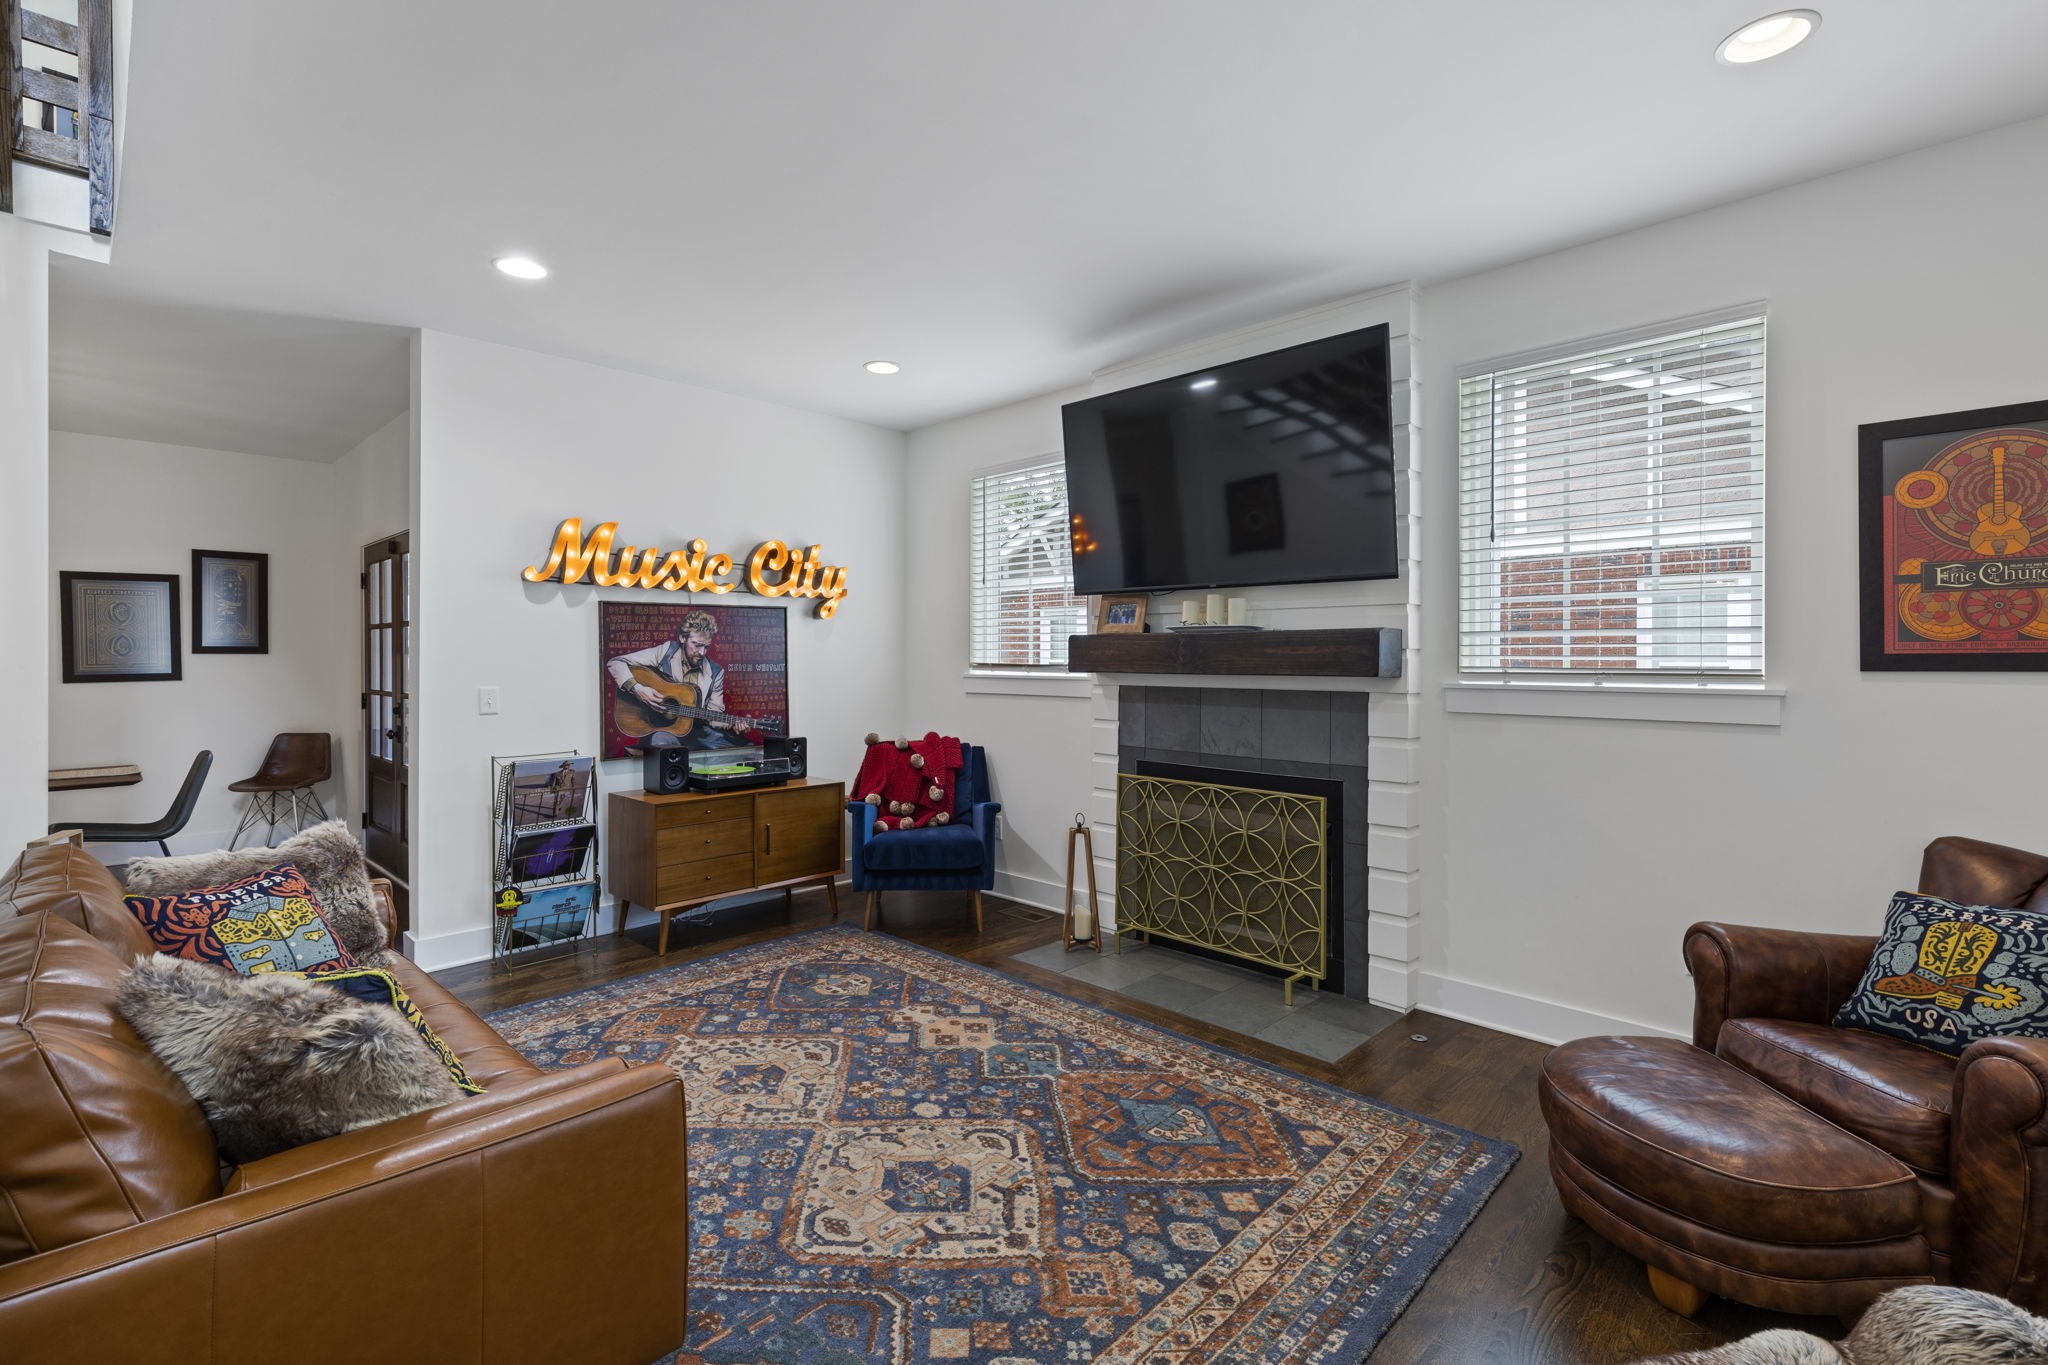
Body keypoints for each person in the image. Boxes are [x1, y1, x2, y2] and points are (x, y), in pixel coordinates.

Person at [606, 609, 748, 749]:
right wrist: (638, 689)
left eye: (706, 647)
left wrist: (732, 723)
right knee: (663, 744)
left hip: (697, 732)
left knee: (746, 746)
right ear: (682, 638)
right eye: (697, 645)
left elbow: (714, 715)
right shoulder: (666, 652)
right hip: (661, 729)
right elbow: (615, 663)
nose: (701, 652)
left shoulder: (716, 672)